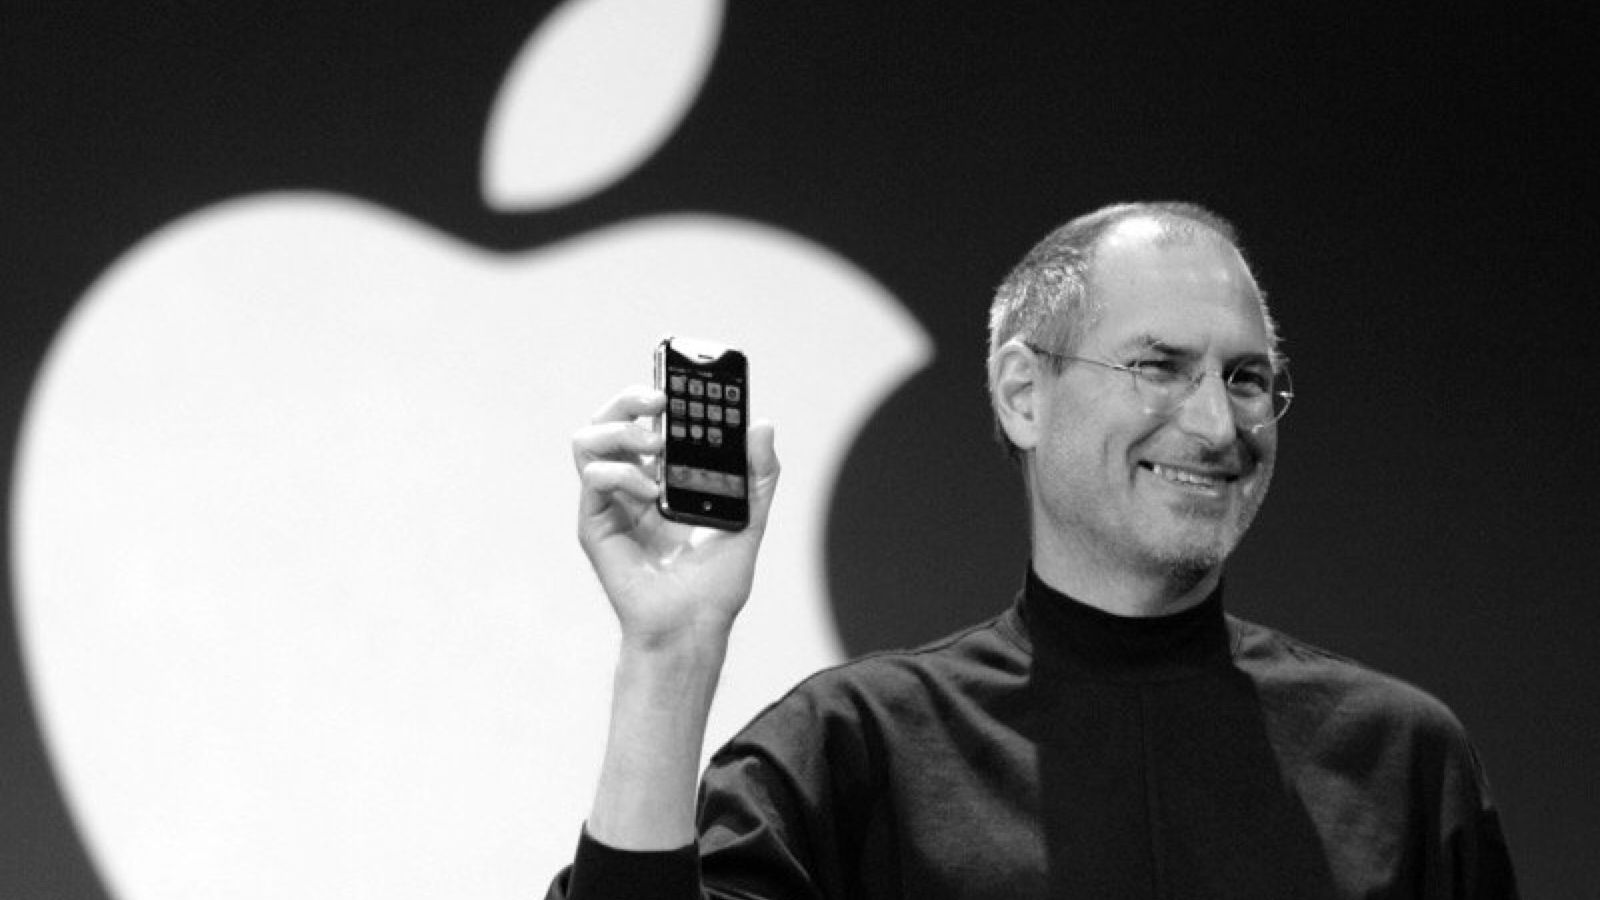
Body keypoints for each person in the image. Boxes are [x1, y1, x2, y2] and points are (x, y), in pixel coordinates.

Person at [548, 202, 1518, 898]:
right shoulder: (852, 753)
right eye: (1158, 367)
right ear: (1022, 393)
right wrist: (668, 658)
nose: (1220, 425)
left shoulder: (1399, 759)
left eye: (1248, 377)